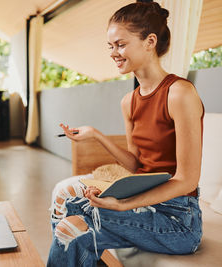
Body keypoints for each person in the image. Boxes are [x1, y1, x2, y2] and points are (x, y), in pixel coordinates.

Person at [47, 2, 204, 267]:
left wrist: (124, 204)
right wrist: (96, 135)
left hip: (178, 218)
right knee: (64, 197)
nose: (113, 53)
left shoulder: (180, 93)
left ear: (149, 41)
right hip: (146, 203)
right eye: (110, 46)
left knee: (70, 228)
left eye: (120, 44)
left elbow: (187, 181)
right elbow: (135, 164)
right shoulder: (129, 101)